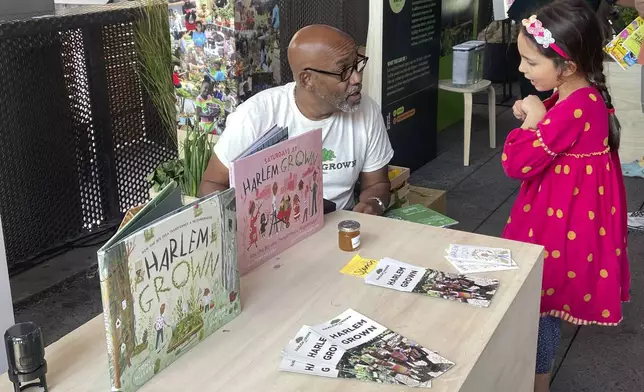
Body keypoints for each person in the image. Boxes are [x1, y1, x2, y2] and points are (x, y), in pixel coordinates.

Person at [500, 1, 630, 391]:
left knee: (540, 305)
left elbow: (516, 163)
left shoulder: (574, 109)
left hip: (556, 230)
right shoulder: (583, 97)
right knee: (539, 308)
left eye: (530, 62)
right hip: (566, 219)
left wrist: (534, 120)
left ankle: (536, 383)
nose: (522, 70)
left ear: (567, 66)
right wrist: (538, 112)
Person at [199, 24, 394, 215]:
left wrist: (373, 204)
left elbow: (377, 184)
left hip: (340, 232)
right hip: (272, 235)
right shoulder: (255, 116)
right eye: (344, 71)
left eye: (357, 64)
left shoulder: (366, 111)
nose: (357, 78)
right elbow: (211, 185)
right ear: (307, 79)